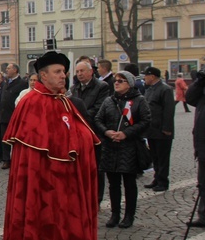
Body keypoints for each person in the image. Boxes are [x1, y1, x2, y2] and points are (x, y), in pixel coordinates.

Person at [0, 51, 101, 240]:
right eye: (58, 72)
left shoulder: (66, 101)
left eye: (64, 72)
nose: (63, 76)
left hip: (67, 182)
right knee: (42, 226)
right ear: (42, 75)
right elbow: (28, 155)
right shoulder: (31, 102)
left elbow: (79, 135)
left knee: (69, 228)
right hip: (42, 185)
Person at [94, 71, 151, 229]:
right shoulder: (109, 101)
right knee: (113, 184)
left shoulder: (139, 101)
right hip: (110, 147)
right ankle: (115, 214)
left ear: (130, 84)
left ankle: (129, 215)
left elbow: (146, 121)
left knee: (129, 183)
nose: (116, 83)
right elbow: (98, 119)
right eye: (116, 81)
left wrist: (126, 133)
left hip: (129, 147)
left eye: (121, 81)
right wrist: (106, 132)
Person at [71, 60, 111, 201]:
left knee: (97, 167)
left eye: (82, 71)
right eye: (77, 71)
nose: (80, 74)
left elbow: (100, 107)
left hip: (94, 131)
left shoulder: (102, 86)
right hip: (78, 132)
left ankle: (97, 198)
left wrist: (80, 116)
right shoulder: (74, 88)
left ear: (90, 72)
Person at [142, 67, 176, 192]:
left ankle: (163, 181)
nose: (144, 78)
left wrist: (167, 128)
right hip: (151, 130)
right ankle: (157, 178)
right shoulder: (150, 89)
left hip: (162, 130)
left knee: (162, 158)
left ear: (152, 76)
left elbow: (169, 110)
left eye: (146, 75)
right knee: (155, 156)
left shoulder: (165, 89)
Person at [185, 69, 205, 227]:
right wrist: (200, 80)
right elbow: (190, 98)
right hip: (202, 142)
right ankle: (203, 214)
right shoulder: (201, 86)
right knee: (203, 182)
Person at [0, 63, 28, 170]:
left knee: (16, 139)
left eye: (9, 68)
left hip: (15, 116)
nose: (6, 70)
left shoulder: (22, 83)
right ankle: (6, 160)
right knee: (4, 139)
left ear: (15, 70)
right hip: (4, 115)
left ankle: (17, 159)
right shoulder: (6, 82)